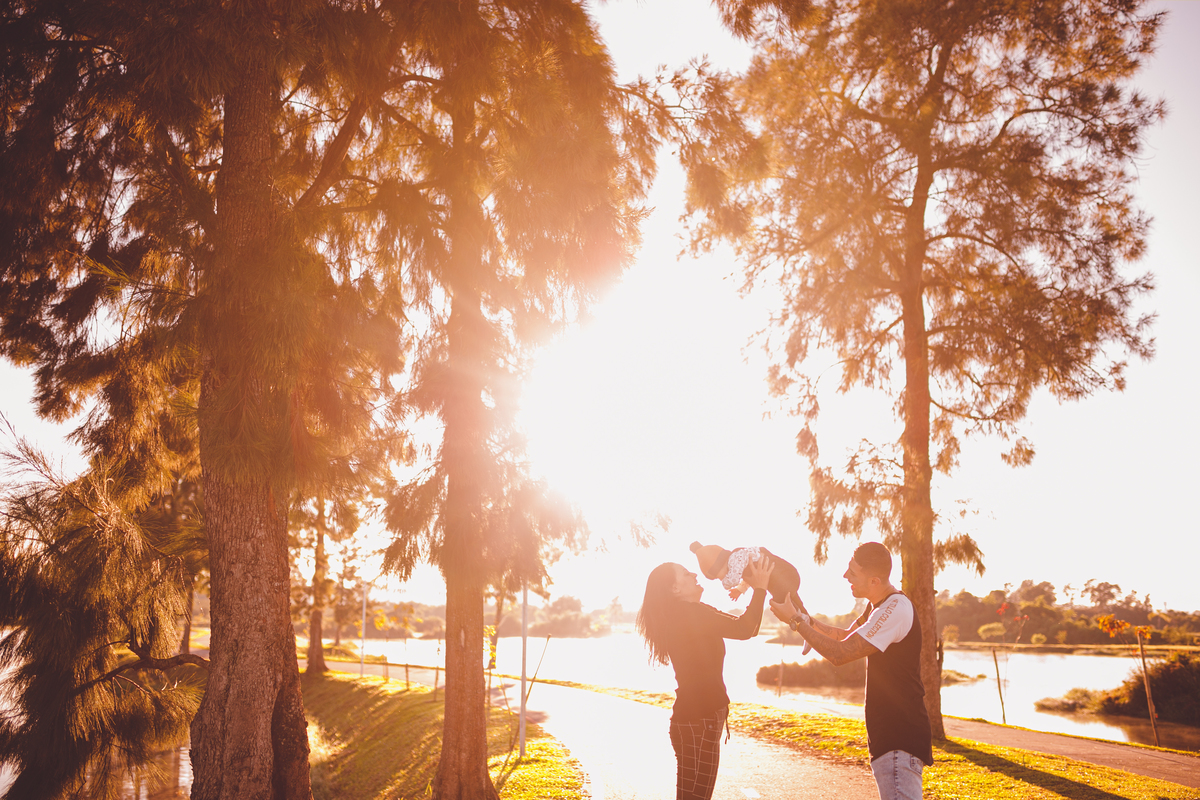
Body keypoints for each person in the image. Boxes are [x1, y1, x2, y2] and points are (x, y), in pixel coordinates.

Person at [769, 541, 932, 800]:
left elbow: (841, 653)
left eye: (853, 573)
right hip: (889, 738)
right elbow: (844, 637)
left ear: (874, 581)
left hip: (899, 737)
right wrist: (806, 620)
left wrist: (796, 622)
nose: (845, 576)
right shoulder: (877, 607)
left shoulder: (894, 609)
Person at [637, 554, 773, 800]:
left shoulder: (689, 613)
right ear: (675, 588)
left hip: (694, 720)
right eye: (686, 573)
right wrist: (760, 588)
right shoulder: (690, 614)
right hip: (700, 721)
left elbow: (745, 626)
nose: (694, 574)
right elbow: (746, 629)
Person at [688, 540, 801, 603]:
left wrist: (725, 584)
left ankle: (800, 618)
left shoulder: (735, 558)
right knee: (792, 600)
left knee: (778, 603)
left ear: (719, 565)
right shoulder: (738, 561)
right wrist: (740, 589)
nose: (721, 579)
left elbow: (732, 580)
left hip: (783, 577)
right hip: (783, 580)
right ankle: (804, 619)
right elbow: (749, 577)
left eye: (718, 576)